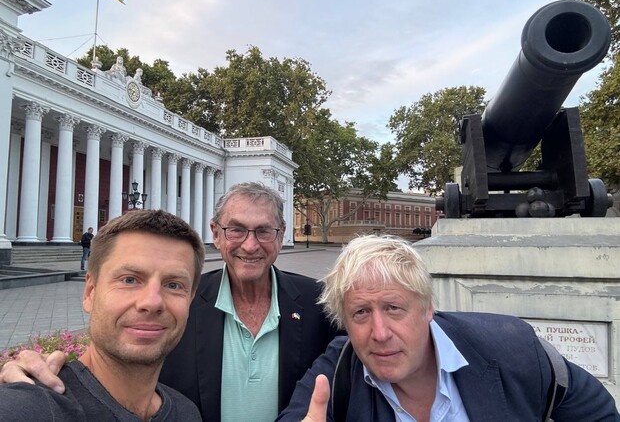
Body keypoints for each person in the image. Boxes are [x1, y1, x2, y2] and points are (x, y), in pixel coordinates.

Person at [0, 182, 340, 422]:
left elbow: (357, 362)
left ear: (281, 235)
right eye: (236, 230)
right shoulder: (181, 303)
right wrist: (32, 372)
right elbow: (115, 358)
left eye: (264, 231)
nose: (250, 245)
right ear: (216, 233)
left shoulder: (318, 302)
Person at [278, 235, 619, 422]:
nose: (380, 333)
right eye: (361, 313)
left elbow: (596, 411)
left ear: (427, 307)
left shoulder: (511, 347)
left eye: (394, 308)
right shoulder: (336, 373)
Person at [0, 209, 206, 421]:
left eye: (173, 285)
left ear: (190, 300)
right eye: (129, 280)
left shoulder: (186, 413)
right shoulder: (29, 408)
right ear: (90, 292)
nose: (152, 303)